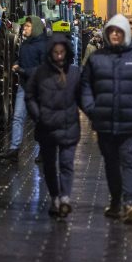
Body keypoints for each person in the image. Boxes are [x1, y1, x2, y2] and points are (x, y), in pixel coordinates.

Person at [80, 14, 132, 223]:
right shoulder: (97, 58)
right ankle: (116, 201)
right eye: (111, 31)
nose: (114, 34)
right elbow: (85, 85)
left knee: (130, 162)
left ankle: (130, 202)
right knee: (112, 165)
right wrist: (91, 109)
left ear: (125, 33)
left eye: (118, 31)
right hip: (105, 122)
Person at [26, 34, 81, 218]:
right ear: (50, 53)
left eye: (62, 52)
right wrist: (38, 115)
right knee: (49, 165)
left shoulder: (74, 73)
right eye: (56, 52)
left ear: (66, 52)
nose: (59, 56)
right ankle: (55, 196)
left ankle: (64, 197)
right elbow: (30, 96)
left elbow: (83, 96)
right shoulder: (40, 73)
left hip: (68, 126)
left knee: (66, 164)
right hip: (47, 127)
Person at [0, 15, 48, 161]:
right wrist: (16, 63)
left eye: (27, 26)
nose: (24, 28)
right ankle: (14, 149)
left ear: (35, 28)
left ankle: (43, 151)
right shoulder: (25, 44)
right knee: (17, 117)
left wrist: (22, 71)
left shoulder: (44, 46)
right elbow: (22, 60)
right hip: (24, 86)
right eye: (24, 26)